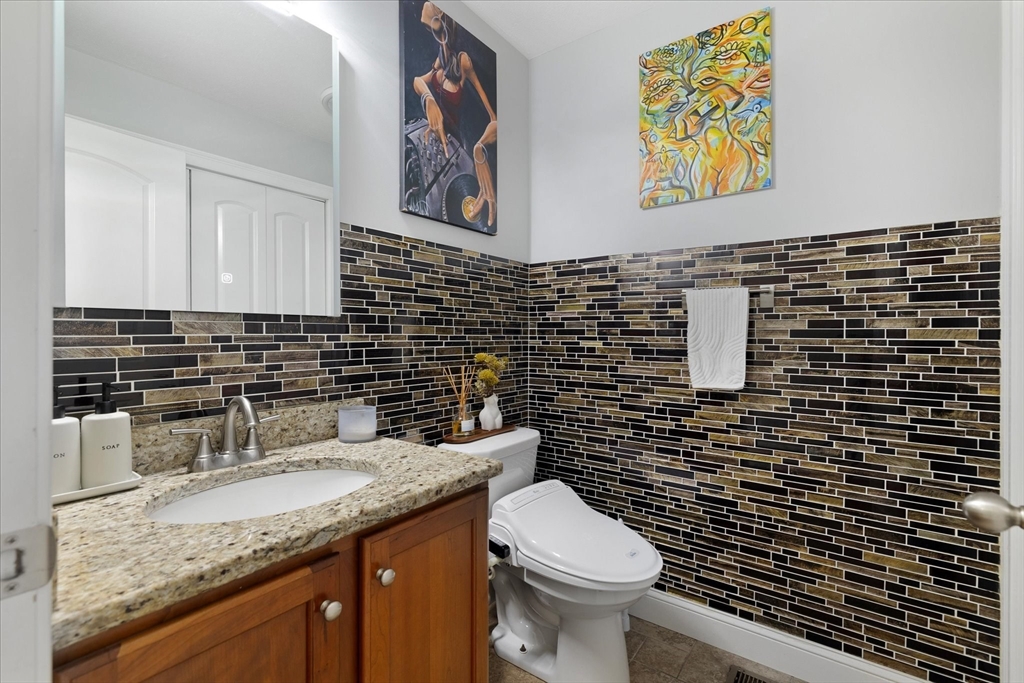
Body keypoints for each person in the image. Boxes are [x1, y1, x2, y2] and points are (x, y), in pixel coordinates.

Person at [412, 1, 497, 227]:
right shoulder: (439, 63)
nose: (432, 34)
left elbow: (496, 121)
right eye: (428, 29)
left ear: (445, 25)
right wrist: (428, 98)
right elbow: (417, 81)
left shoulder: (464, 62)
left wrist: (479, 149)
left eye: (435, 28)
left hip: (457, 144)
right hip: (439, 142)